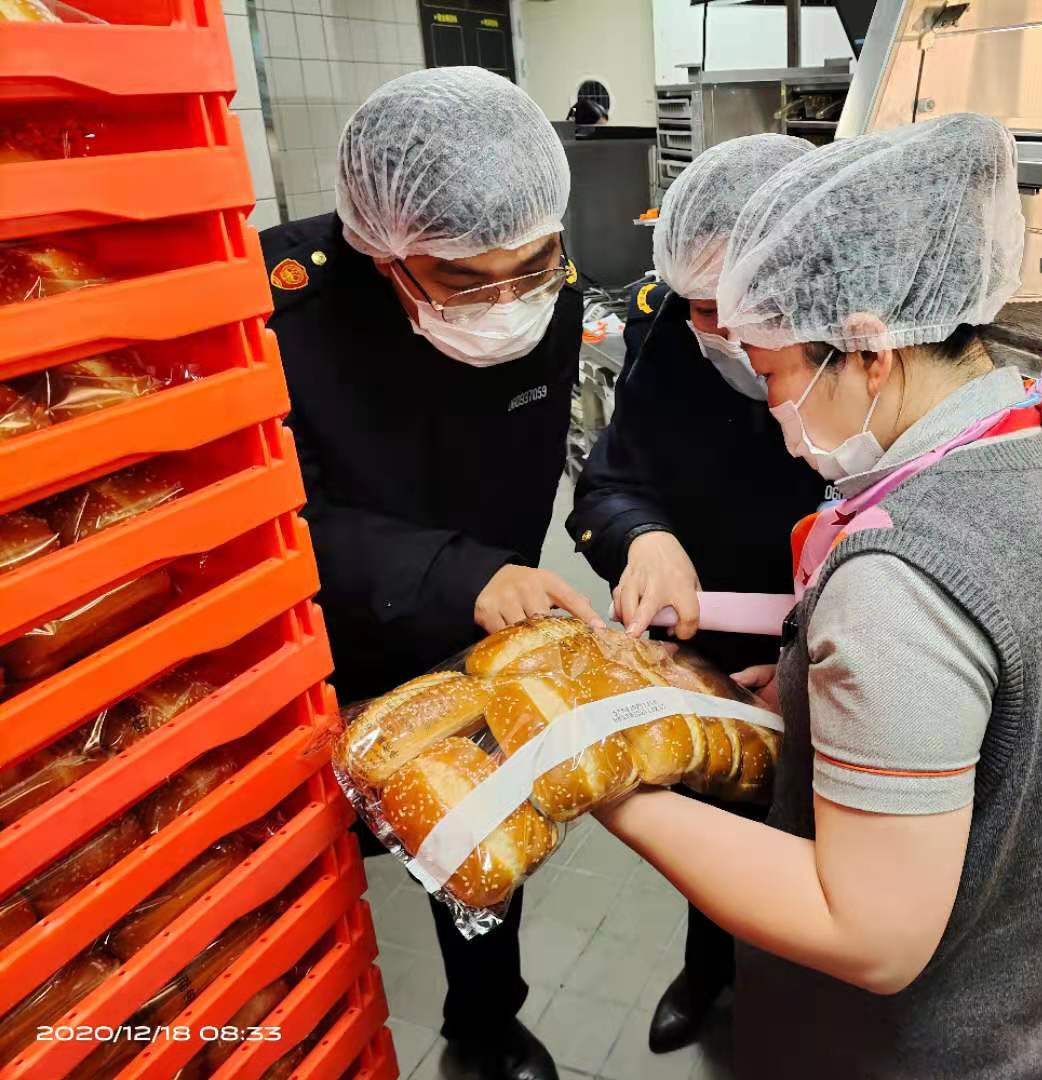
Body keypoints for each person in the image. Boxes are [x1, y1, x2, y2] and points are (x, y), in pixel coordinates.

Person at [594, 113, 1042, 1078]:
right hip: (1022, 1012)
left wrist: (606, 780)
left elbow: (869, 936)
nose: (774, 413)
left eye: (772, 377)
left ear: (869, 352)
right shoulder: (1040, 454)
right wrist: (806, 688)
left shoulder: (900, 579)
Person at [261, 67, 604, 1080]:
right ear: (383, 249)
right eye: (464, 280)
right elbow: (278, 515)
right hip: (323, 635)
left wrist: (503, 583)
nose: (507, 301)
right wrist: (459, 573)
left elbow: (526, 464)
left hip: (472, 621)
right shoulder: (287, 304)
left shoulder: (551, 284)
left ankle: (486, 1028)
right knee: (302, 856)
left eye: (531, 266)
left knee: (479, 842)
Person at [565, 133, 826, 1052]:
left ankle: (785, 1014)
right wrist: (648, 538)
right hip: (711, 640)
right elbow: (609, 481)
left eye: (732, 313)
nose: (712, 332)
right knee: (723, 823)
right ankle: (707, 972)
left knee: (823, 861)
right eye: (697, 309)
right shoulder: (669, 331)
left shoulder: (874, 370)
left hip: (840, 654)